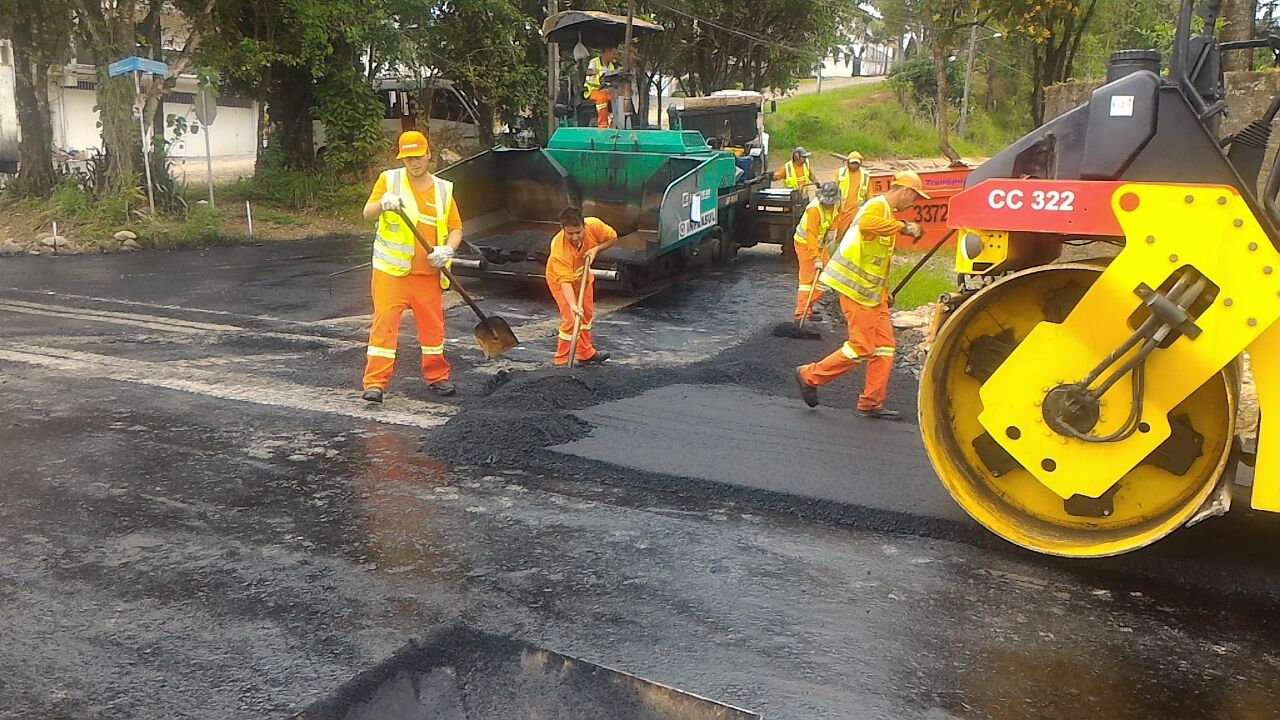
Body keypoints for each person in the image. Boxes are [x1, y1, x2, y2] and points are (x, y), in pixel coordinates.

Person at [794, 172, 928, 419]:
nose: (914, 204)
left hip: (872, 295)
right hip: (855, 290)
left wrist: (884, 294)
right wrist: (904, 227)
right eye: (915, 198)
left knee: (885, 347)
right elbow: (866, 225)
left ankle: (871, 403)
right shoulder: (877, 206)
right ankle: (809, 375)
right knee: (861, 347)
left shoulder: (887, 214)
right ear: (907, 191)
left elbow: (879, 262)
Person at [360, 130, 463, 403]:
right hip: (391, 273)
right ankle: (375, 384)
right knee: (384, 326)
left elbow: (456, 228)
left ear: (428, 154)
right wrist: (382, 204)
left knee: (433, 329)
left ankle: (437, 376)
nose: (413, 163)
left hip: (428, 275)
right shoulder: (389, 180)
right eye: (407, 158)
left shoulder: (443, 189)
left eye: (418, 157)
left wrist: (448, 249)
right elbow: (367, 212)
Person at [546, 206, 618, 365]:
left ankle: (585, 353)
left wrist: (596, 249)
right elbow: (565, 282)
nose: (575, 237)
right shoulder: (559, 251)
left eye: (578, 232)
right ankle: (562, 361)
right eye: (570, 233)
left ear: (584, 226)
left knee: (586, 314)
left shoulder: (594, 226)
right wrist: (572, 304)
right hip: (560, 281)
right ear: (562, 229)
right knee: (571, 319)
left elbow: (612, 238)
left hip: (582, 277)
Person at [791, 181, 841, 322]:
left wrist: (832, 230)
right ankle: (801, 314)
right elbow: (811, 234)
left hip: (819, 244)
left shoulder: (837, 203)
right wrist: (816, 258)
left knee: (825, 276)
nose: (829, 205)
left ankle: (808, 308)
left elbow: (837, 216)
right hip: (806, 245)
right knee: (807, 282)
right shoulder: (814, 209)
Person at [834, 151, 871, 238]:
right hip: (841, 209)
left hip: (856, 210)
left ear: (860, 163)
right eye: (852, 163)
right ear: (848, 162)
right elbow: (833, 189)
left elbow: (869, 195)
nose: (854, 166)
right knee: (841, 234)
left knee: (854, 234)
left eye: (856, 163)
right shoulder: (840, 173)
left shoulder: (865, 175)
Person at [584, 46, 620, 129]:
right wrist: (594, 72)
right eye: (613, 54)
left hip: (606, 90)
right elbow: (588, 71)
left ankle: (614, 124)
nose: (614, 56)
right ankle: (603, 125)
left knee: (617, 98)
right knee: (602, 98)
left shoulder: (612, 66)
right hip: (593, 91)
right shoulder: (594, 62)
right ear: (606, 52)